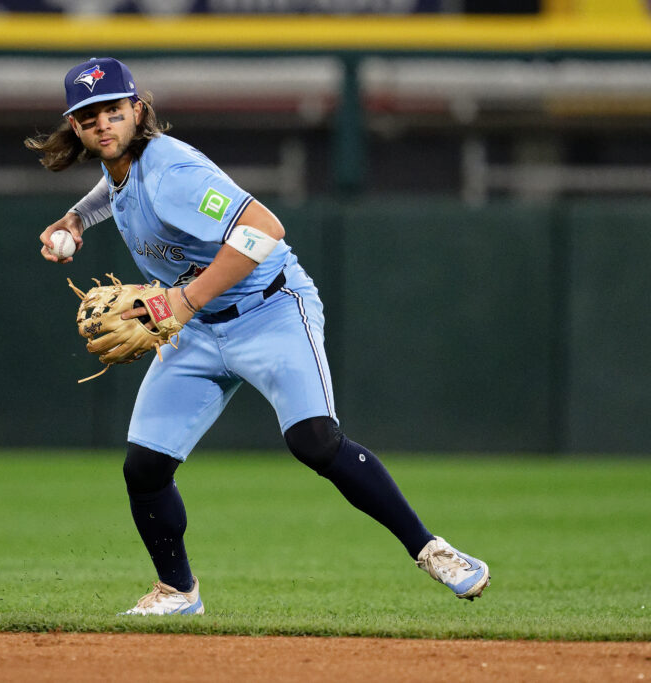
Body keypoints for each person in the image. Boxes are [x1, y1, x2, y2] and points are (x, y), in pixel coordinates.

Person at [25, 58, 490, 615]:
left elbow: (264, 229)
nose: (104, 124)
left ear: (138, 112)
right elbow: (111, 189)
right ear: (74, 126)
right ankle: (177, 592)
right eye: (90, 116)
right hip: (194, 328)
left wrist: (181, 299)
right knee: (144, 469)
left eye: (114, 112)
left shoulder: (171, 170)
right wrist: (75, 221)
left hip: (269, 311)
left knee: (315, 443)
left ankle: (433, 550)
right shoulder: (125, 166)